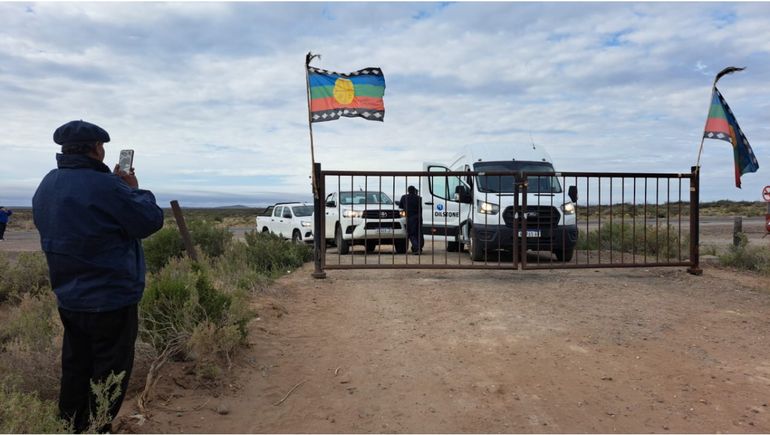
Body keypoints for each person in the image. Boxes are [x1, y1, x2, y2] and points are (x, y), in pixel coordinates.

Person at [33, 120, 164, 433]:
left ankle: (69, 427)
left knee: (76, 367)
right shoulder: (107, 186)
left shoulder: (47, 184)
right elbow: (150, 220)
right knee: (110, 371)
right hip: (111, 298)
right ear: (97, 149)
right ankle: (98, 427)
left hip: (69, 297)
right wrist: (133, 189)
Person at [399, 185, 424, 254]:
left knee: (411, 234)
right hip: (419, 217)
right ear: (414, 190)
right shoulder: (419, 198)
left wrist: (403, 217)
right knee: (419, 233)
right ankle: (418, 247)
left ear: (408, 190)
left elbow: (401, 208)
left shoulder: (404, 197)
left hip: (410, 217)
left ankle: (417, 248)